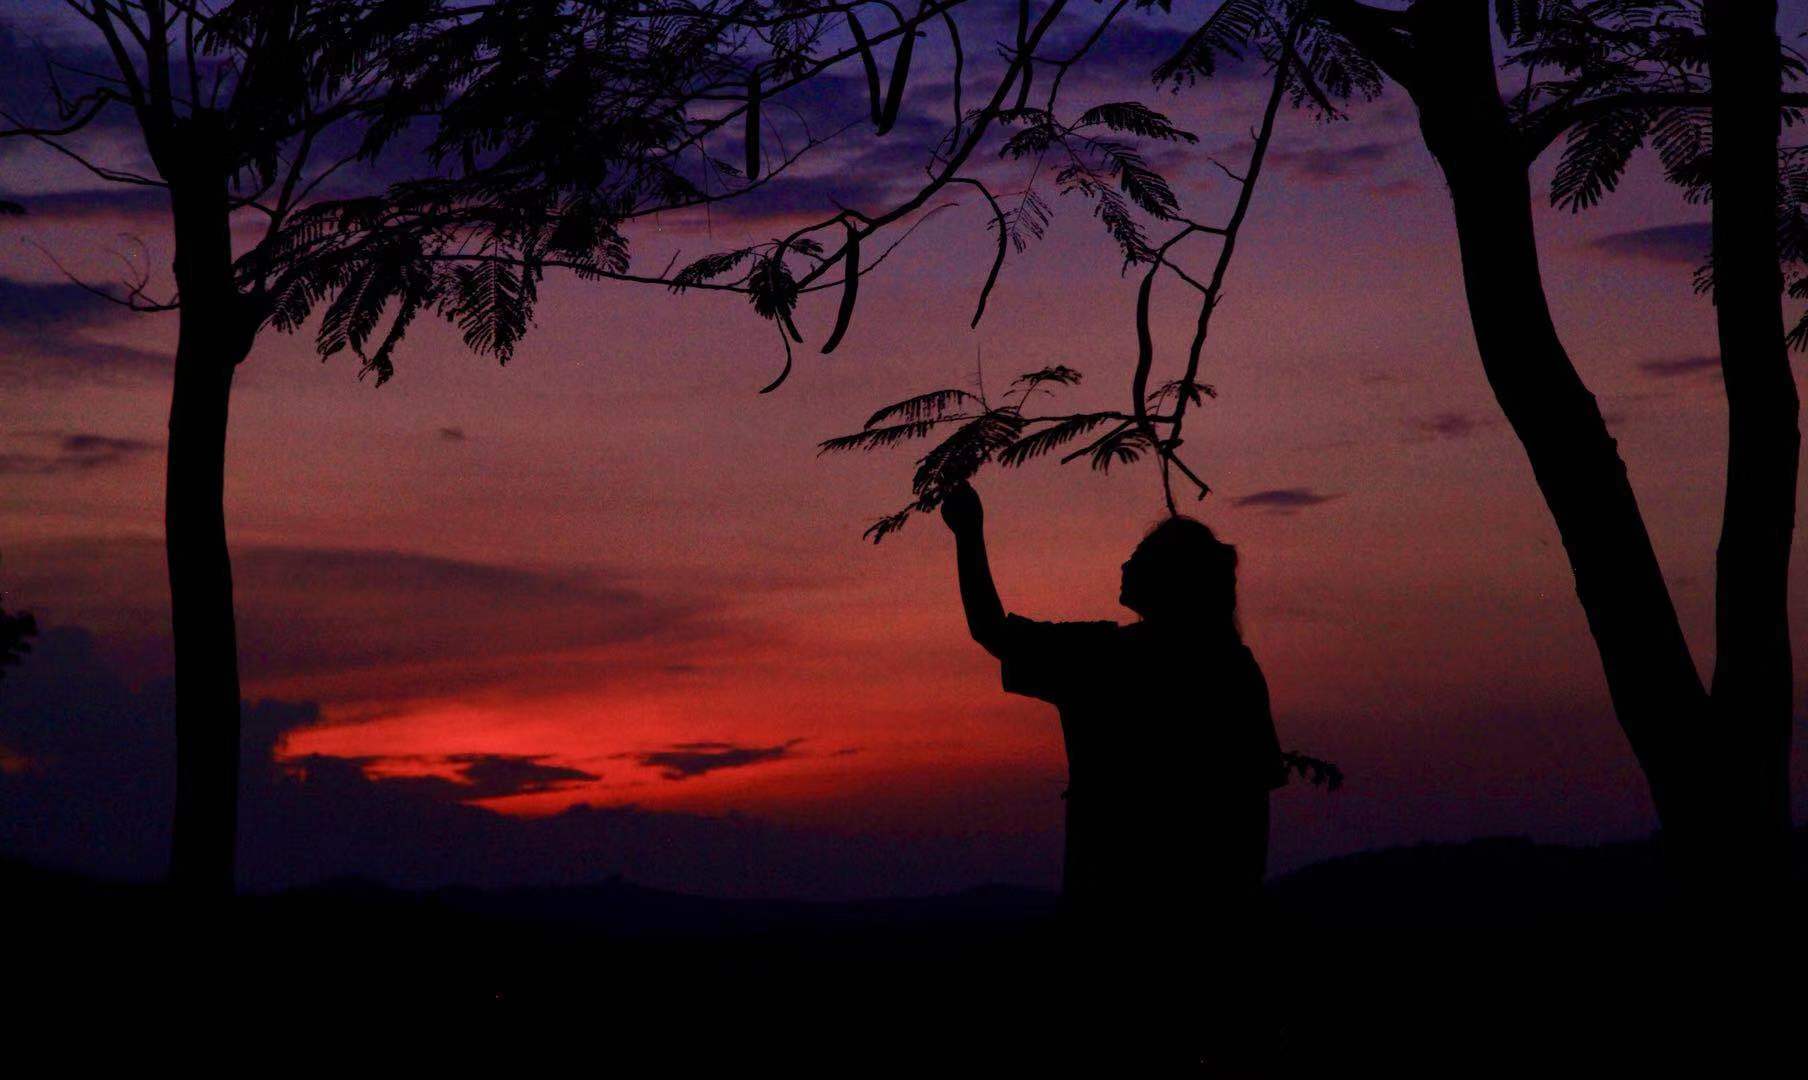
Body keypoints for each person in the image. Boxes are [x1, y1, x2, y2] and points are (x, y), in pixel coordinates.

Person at [939, 480, 1283, 1065]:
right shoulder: (1232, 668)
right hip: (1202, 937)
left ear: (1170, 581)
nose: (1125, 563)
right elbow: (1250, 820)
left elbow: (990, 630)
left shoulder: (1107, 660)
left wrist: (969, 534)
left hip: (1112, 930)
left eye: (1141, 558)